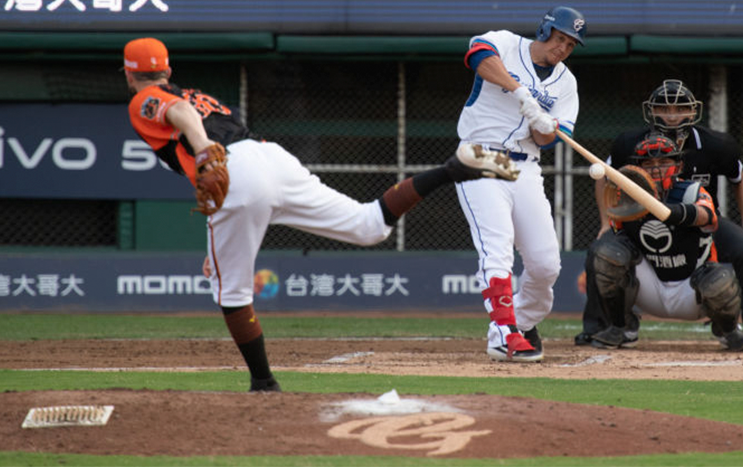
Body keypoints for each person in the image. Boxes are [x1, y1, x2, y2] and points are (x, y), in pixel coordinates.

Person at [122, 37, 519, 391]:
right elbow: (191, 114)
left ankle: (264, 383)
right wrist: (218, 243)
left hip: (233, 168)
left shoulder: (143, 99)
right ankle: (452, 170)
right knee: (369, 226)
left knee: (232, 294)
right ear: (169, 69)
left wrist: (204, 149)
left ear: (128, 73)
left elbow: (178, 114)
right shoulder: (196, 93)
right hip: (270, 157)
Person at [576, 79, 743, 347]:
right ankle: (607, 327)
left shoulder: (716, 144)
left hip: (695, 217)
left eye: (679, 108)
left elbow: (740, 178)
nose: (671, 115)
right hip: (640, 217)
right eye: (663, 108)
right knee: (602, 250)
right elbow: (604, 176)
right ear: (651, 111)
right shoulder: (629, 143)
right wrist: (604, 222)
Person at [454, 6, 586, 362]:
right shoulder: (505, 43)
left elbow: (546, 139)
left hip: (526, 166)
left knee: (546, 264)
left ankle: (523, 322)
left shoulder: (566, 83)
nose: (563, 48)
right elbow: (478, 57)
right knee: (496, 249)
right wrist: (522, 94)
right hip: (481, 156)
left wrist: (544, 125)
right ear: (545, 31)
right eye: (560, 38)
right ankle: (502, 333)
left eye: (571, 44)